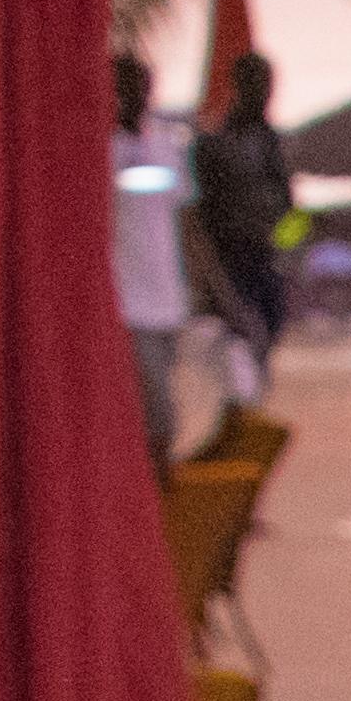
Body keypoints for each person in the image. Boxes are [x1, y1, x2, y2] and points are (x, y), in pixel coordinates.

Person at [107, 53, 201, 457]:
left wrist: (194, 286)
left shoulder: (165, 144)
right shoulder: (103, 147)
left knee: (158, 396)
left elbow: (184, 219)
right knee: (155, 410)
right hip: (126, 301)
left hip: (168, 298)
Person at [193, 50, 292, 375]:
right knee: (246, 345)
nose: (264, 92)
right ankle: (241, 416)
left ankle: (246, 416)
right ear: (240, 86)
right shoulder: (216, 145)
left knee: (263, 342)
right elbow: (202, 217)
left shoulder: (270, 141)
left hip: (267, 260)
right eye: (257, 84)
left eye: (267, 84)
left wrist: (290, 250)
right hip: (233, 263)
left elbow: (286, 205)